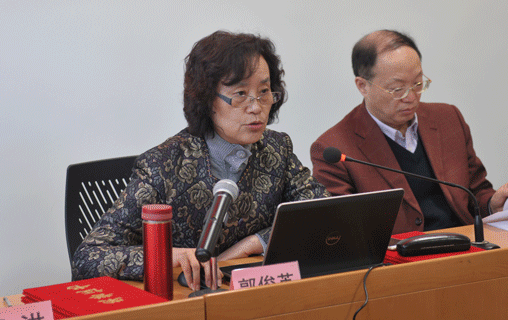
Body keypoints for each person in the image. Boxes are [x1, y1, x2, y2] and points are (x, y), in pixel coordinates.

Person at [72, 31, 327, 291]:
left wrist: (253, 243)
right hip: (186, 299)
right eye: (240, 93)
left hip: (254, 293)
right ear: (207, 100)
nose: (256, 107)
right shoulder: (162, 166)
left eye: (264, 92)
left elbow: (322, 213)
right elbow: (88, 257)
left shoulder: (277, 149)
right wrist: (172, 256)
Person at [310, 30, 508, 235]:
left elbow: (476, 192)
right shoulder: (334, 149)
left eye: (417, 84)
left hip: (465, 243)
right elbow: (343, 230)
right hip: (397, 253)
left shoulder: (448, 119)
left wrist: (492, 204)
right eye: (397, 89)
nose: (411, 97)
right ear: (363, 86)